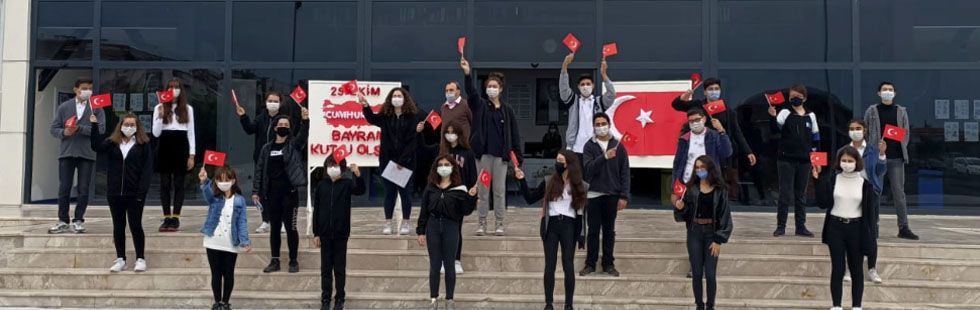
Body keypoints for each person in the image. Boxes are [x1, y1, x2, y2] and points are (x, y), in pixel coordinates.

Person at [514, 150, 586, 310]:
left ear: (569, 163)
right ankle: (549, 303)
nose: (557, 164)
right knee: (550, 265)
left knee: (568, 265)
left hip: (569, 225)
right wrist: (522, 180)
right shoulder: (549, 181)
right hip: (551, 224)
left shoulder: (579, 184)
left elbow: (581, 212)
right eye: (557, 160)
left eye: (560, 161)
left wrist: (581, 235)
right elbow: (530, 199)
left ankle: (569, 304)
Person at [460, 56, 523, 236]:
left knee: (499, 191)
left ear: (501, 89)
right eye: (489, 87)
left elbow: (514, 135)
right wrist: (467, 74)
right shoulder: (480, 105)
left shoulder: (507, 109)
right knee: (482, 190)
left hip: (500, 157)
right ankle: (481, 224)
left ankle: (499, 224)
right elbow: (471, 94)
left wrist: (518, 159)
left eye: (495, 87)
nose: (492, 89)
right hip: (484, 156)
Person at [816, 146, 879, 310]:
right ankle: (836, 305)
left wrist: (871, 238)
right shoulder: (833, 180)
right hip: (835, 227)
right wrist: (817, 180)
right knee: (838, 267)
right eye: (844, 161)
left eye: (850, 161)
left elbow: (870, 216)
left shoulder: (865, 185)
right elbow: (823, 203)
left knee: (856, 268)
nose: (846, 164)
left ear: (856, 162)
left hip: (856, 228)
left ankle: (856, 305)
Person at [673, 77, 757, 199]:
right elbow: (676, 105)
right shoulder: (698, 105)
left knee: (715, 183)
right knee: (695, 182)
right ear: (705, 92)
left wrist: (748, 151)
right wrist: (684, 96)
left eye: (716, 89)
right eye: (710, 89)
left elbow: (737, 133)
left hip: (717, 152)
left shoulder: (728, 111)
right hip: (698, 149)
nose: (714, 91)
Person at [90, 112, 151, 272]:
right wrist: (94, 126)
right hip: (115, 192)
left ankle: (140, 258)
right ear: (120, 126)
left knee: (135, 225)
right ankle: (120, 259)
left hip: (135, 193)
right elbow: (96, 146)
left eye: (132, 125)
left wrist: (142, 191)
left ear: (137, 127)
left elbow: (147, 170)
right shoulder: (112, 143)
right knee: (118, 225)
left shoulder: (143, 144)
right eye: (126, 124)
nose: (129, 128)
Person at [417, 155, 478, 310]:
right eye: (441, 164)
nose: (444, 167)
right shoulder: (431, 187)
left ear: (452, 167)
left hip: (451, 226)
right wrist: (421, 231)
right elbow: (424, 210)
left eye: (447, 164)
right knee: (435, 265)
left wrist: (471, 197)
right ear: (436, 168)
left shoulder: (460, 188)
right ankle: (433, 299)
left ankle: (450, 299)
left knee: (450, 264)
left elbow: (465, 210)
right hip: (433, 227)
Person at [673, 155, 733, 310]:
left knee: (711, 274)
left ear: (709, 169)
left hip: (711, 233)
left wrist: (719, 239)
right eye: (697, 167)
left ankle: (710, 305)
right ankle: (699, 304)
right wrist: (680, 207)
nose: (699, 170)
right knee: (697, 272)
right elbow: (683, 215)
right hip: (694, 231)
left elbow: (725, 216)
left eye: (702, 167)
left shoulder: (720, 191)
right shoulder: (691, 189)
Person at [253, 109, 310, 273]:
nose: (283, 127)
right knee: (275, 228)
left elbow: (302, 137)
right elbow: (259, 170)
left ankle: (293, 260)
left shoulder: (293, 145)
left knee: (291, 228)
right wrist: (256, 190)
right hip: (271, 194)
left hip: (290, 194)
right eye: (281, 124)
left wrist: (305, 121)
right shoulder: (266, 148)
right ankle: (275, 260)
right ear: (275, 127)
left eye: (286, 125)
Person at [360, 88, 420, 236]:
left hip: (406, 163)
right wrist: (366, 105)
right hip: (388, 163)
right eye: (394, 96)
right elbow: (372, 119)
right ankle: (388, 222)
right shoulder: (386, 116)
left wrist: (402, 160)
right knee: (389, 193)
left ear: (405, 98)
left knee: (405, 194)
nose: (397, 98)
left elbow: (412, 141)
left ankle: (405, 223)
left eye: (399, 96)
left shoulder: (412, 117)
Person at [49, 77, 105, 234]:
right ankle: (62, 220)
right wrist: (64, 132)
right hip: (67, 152)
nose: (87, 91)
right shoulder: (64, 107)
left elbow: (100, 130)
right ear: (76, 89)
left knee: (83, 188)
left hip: (87, 153)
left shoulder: (96, 108)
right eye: (84, 88)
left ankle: (79, 219)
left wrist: (81, 128)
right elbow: (54, 128)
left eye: (90, 88)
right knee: (64, 187)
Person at [420, 121, 478, 274]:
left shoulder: (467, 153)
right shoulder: (440, 151)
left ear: (459, 134)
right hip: (442, 194)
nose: (450, 135)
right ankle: (442, 260)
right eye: (448, 131)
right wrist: (420, 133)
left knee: (456, 228)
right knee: (440, 229)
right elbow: (424, 152)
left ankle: (455, 259)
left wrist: (473, 195)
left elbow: (473, 175)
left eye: (453, 131)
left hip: (459, 195)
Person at [863, 82, 918, 240]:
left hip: (896, 157)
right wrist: (874, 150)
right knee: (875, 192)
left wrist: (899, 146)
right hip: (877, 158)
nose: (888, 92)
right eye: (884, 90)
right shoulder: (872, 111)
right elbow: (865, 131)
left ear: (895, 93)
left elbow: (905, 134)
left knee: (899, 193)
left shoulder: (901, 111)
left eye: (890, 90)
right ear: (879, 93)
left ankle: (903, 227)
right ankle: (874, 226)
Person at [311, 157, 365, 310]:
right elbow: (317, 211)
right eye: (330, 165)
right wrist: (316, 233)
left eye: (335, 165)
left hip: (341, 234)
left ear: (341, 168)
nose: (332, 168)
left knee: (339, 268)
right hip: (325, 234)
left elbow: (361, 191)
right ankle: (325, 299)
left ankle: (340, 298)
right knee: (325, 269)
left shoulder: (347, 184)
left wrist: (358, 174)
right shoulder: (322, 185)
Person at [580, 113, 629, 277]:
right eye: (597, 124)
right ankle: (590, 263)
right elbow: (588, 168)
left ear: (609, 124)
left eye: (603, 123)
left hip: (612, 194)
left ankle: (608, 263)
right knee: (593, 230)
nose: (601, 126)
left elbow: (624, 172)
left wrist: (623, 196)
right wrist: (604, 157)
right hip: (593, 194)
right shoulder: (589, 146)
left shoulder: (618, 146)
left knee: (609, 230)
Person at [767, 84, 820, 237]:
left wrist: (816, 160)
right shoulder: (785, 112)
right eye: (792, 96)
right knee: (784, 193)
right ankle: (781, 226)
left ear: (804, 98)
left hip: (804, 160)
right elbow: (775, 131)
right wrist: (772, 117)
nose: (794, 99)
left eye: (798, 96)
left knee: (801, 195)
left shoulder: (811, 115)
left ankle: (801, 226)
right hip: (786, 159)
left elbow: (816, 138)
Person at [839, 120, 887, 284]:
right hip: (848, 193)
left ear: (865, 130)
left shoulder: (873, 150)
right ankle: (850, 268)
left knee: (870, 231)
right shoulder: (844, 150)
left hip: (868, 192)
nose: (855, 131)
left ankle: (872, 268)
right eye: (852, 129)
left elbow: (880, 171)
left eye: (858, 128)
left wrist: (882, 155)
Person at [198, 166, 252, 310]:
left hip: (230, 243)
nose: (223, 183)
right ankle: (217, 302)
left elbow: (242, 222)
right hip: (213, 242)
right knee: (216, 274)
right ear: (216, 181)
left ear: (233, 181)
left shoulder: (239, 200)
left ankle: (225, 302)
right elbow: (207, 193)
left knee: (228, 274)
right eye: (220, 180)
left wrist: (245, 240)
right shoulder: (214, 198)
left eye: (227, 180)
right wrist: (204, 181)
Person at [236, 91, 290, 234]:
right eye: (270, 100)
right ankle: (265, 221)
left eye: (275, 101)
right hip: (262, 159)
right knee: (263, 191)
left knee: (281, 191)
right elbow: (250, 130)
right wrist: (243, 116)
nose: (272, 103)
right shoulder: (261, 118)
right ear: (266, 102)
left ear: (280, 103)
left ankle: (283, 221)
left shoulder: (284, 120)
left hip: (279, 159)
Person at [152, 78, 196, 232]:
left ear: (180, 89)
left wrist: (192, 155)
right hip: (165, 144)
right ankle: (166, 217)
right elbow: (155, 133)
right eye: (170, 87)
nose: (173, 90)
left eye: (176, 87)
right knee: (165, 184)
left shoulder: (187, 109)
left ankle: (176, 217)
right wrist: (160, 116)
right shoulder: (159, 107)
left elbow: (191, 133)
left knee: (178, 183)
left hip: (180, 145)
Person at [671, 108, 733, 206]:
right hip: (688, 182)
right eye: (691, 121)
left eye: (697, 120)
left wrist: (721, 132)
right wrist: (674, 186)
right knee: (690, 214)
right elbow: (677, 163)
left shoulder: (714, 135)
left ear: (704, 119)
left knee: (709, 213)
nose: (694, 123)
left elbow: (727, 152)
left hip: (709, 182)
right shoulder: (684, 139)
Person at [559, 53, 615, 161]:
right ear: (578, 87)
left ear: (593, 86)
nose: (585, 86)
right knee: (577, 177)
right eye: (582, 84)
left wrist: (604, 74)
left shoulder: (599, 102)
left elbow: (611, 94)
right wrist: (565, 65)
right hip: (576, 148)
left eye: (588, 84)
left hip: (595, 146)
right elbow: (564, 89)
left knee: (594, 175)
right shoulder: (573, 101)